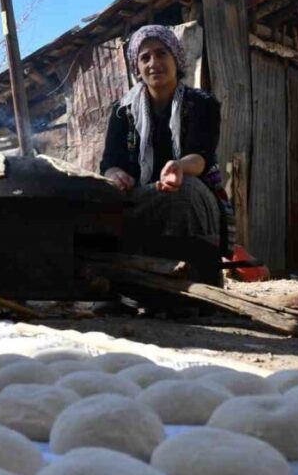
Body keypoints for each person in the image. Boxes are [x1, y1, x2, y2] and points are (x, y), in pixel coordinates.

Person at [99, 25, 231, 284]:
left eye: (161, 54)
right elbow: (109, 163)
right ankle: (126, 284)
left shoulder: (201, 103)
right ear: (137, 67)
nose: (154, 63)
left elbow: (202, 156)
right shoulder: (121, 112)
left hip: (192, 194)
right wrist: (115, 175)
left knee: (184, 191)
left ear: (176, 59)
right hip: (142, 197)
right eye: (145, 57)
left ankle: (196, 285)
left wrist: (180, 167)